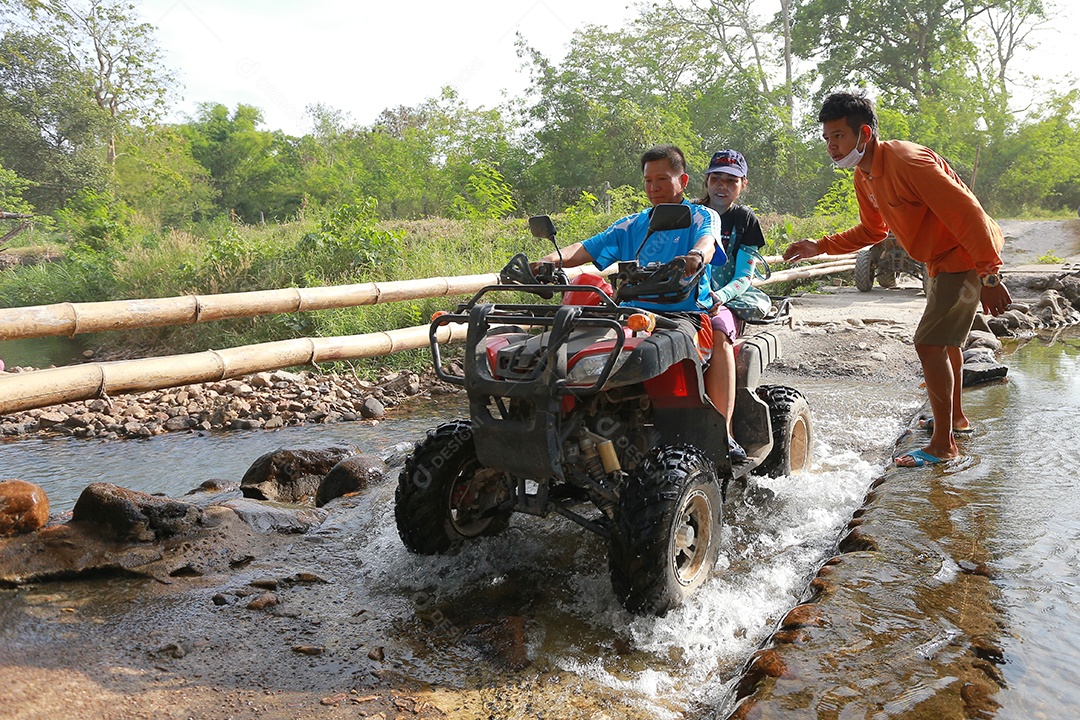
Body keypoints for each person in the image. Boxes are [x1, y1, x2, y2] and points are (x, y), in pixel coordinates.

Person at [783, 91, 1012, 467]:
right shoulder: (865, 175)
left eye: (838, 136)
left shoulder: (907, 160)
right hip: (939, 259)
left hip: (965, 254)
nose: (831, 146)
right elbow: (873, 233)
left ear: (865, 134)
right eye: (827, 138)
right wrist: (820, 245)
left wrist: (989, 273)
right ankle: (953, 419)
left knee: (928, 342)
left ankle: (943, 446)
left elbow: (967, 212)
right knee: (947, 343)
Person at [535, 144, 743, 458]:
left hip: (682, 317)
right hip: (628, 317)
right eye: (648, 181)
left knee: (661, 363)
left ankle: (720, 438)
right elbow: (589, 247)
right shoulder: (632, 224)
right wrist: (550, 259)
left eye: (662, 179)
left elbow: (707, 241)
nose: (654, 187)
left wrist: (697, 255)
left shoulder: (702, 215)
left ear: (683, 181)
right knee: (560, 354)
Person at [693, 149, 767, 462]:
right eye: (717, 178)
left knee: (718, 331)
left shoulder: (745, 220)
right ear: (706, 180)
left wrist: (719, 298)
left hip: (726, 299)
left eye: (731, 180)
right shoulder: (688, 213)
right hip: (685, 296)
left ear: (743, 185)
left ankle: (724, 432)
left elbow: (744, 277)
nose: (722, 185)